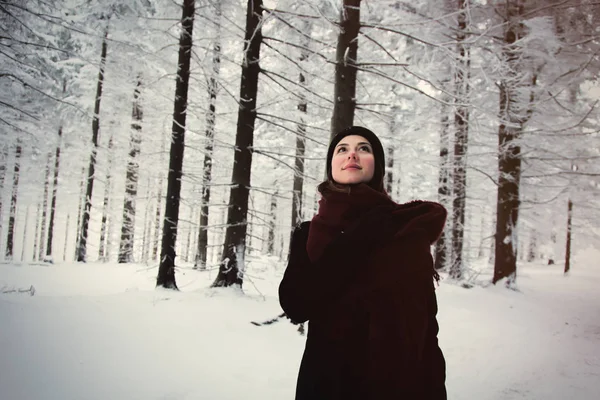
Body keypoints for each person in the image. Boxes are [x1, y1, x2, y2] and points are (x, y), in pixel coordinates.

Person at [279, 126, 447, 400]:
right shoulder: (308, 234)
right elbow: (296, 305)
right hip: (325, 386)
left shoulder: (404, 230)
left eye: (364, 148)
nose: (352, 154)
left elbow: (427, 333)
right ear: (331, 164)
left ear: (377, 166)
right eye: (342, 149)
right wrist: (355, 240)